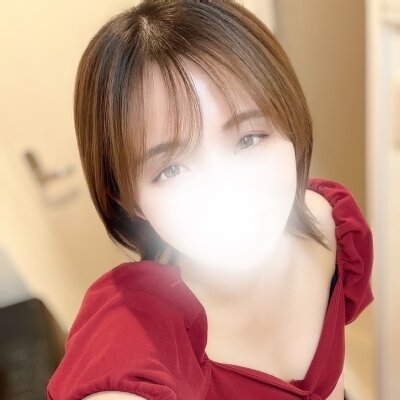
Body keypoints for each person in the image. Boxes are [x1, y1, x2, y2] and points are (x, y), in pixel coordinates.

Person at [46, 1, 374, 399]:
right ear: (129, 200)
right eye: (172, 169)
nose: (226, 189)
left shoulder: (330, 225)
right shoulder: (133, 331)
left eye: (249, 139)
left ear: (290, 125)